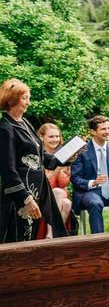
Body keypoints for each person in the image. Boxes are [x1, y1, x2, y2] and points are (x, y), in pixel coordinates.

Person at [0, 80, 71, 242]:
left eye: (28, 98)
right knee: (18, 240)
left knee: (30, 239)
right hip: (20, 197)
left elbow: (41, 157)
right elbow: (7, 169)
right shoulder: (5, 128)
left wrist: (66, 158)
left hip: (37, 191)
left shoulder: (24, 123)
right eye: (24, 98)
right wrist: (26, 198)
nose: (28, 102)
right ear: (12, 100)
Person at [38, 123, 73, 229]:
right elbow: (46, 182)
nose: (55, 139)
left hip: (60, 195)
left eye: (57, 136)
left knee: (66, 203)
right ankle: (52, 233)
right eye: (51, 136)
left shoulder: (63, 154)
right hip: (43, 194)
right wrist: (58, 164)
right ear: (41, 137)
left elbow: (63, 183)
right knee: (58, 193)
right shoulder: (39, 155)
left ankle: (53, 235)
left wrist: (63, 162)